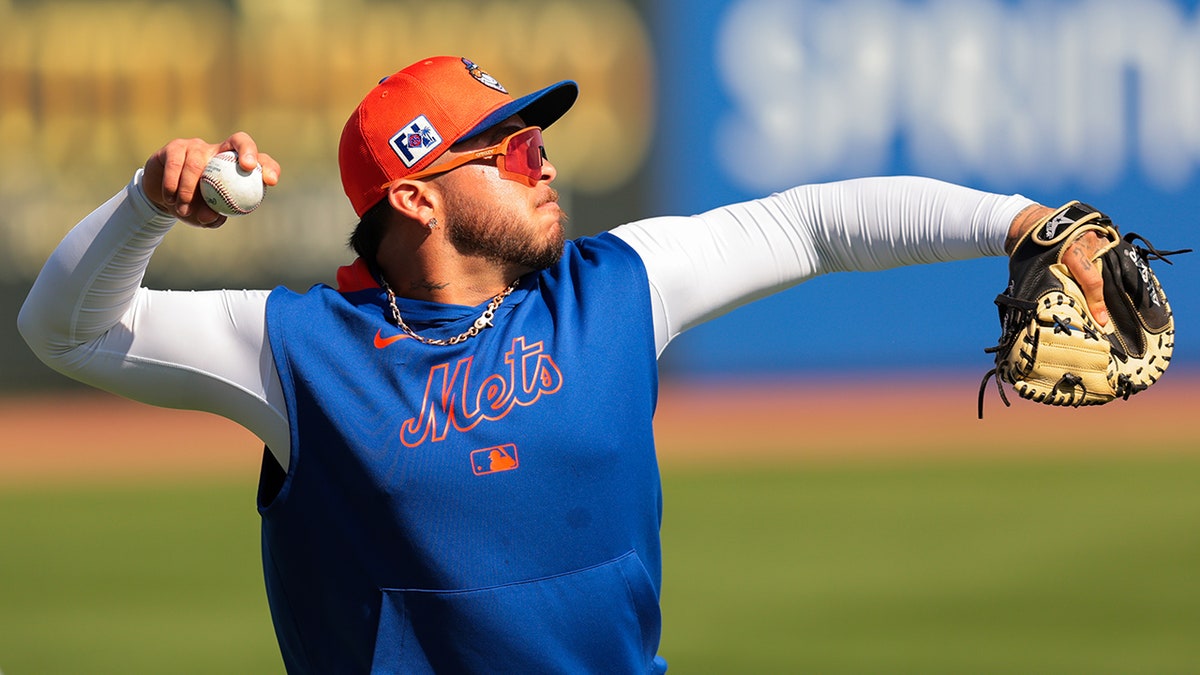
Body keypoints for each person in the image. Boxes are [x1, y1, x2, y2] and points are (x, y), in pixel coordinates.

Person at [18, 55, 1112, 673]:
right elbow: (62, 331)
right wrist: (142, 207)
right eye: (514, 152)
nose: (547, 170)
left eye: (542, 143)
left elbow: (815, 223)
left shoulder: (617, 287)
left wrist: (1028, 224)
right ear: (414, 197)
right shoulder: (297, 350)